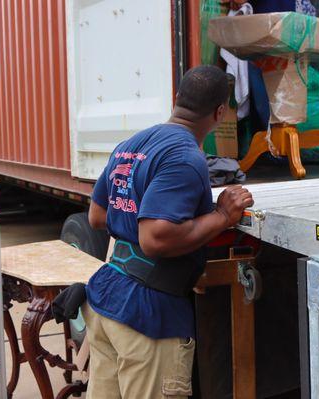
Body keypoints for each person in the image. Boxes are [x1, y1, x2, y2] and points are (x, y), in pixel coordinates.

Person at [84, 65, 254, 399]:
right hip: (146, 318)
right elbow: (156, 237)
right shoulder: (185, 156)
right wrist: (222, 215)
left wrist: (136, 217)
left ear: (177, 99)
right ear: (220, 112)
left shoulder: (132, 144)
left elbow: (98, 215)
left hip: (108, 304)